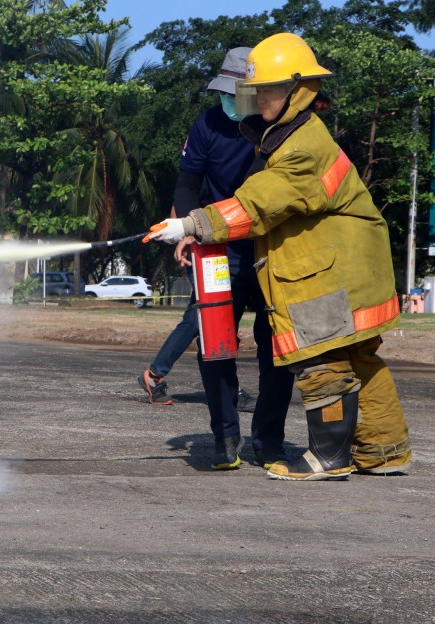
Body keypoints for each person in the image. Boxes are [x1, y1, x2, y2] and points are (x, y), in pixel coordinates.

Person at [144, 33, 412, 480]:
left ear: (297, 89)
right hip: (337, 264)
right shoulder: (281, 132)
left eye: (265, 90)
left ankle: (328, 457)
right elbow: (202, 181)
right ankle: (382, 452)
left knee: (319, 358)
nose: (254, 99)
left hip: (324, 269)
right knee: (357, 360)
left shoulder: (299, 145)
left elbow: (256, 204)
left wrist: (188, 225)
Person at [139, 47, 294, 470]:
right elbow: (188, 182)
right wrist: (188, 228)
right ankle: (225, 437)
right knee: (214, 342)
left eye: (236, 94)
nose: (229, 101)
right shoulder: (206, 124)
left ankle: (268, 438)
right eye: (224, 93)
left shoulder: (282, 127)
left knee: (275, 346)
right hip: (219, 245)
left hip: (273, 247)